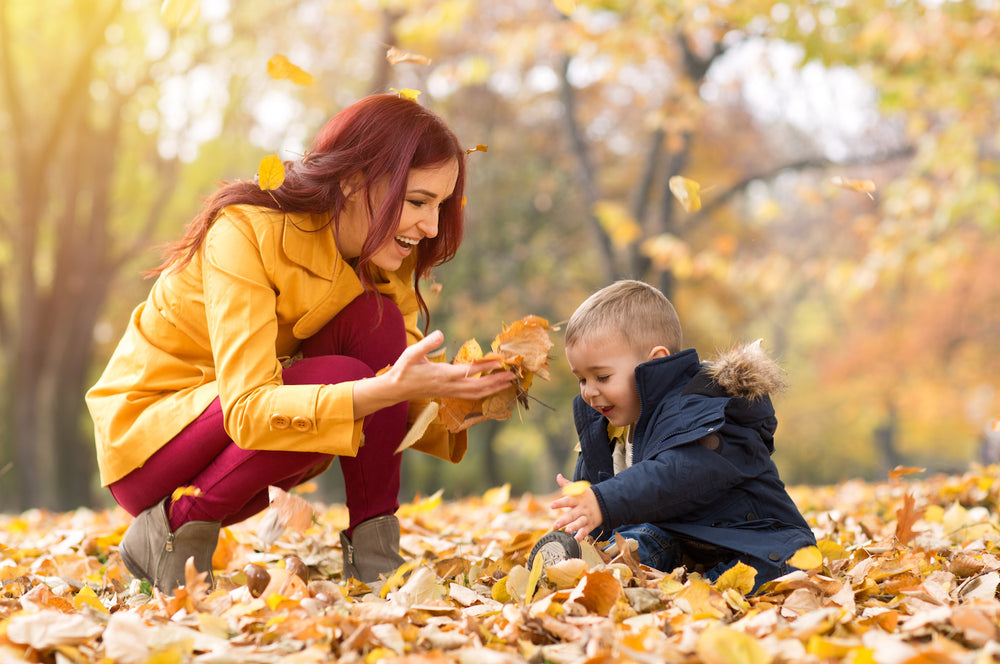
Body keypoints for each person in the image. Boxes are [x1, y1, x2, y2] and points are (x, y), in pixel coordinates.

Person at [86, 94, 516, 592]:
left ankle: (375, 555)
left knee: (373, 328)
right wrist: (378, 390)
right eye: (418, 202)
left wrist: (465, 394)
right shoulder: (244, 231)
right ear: (353, 182)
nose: (432, 227)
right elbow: (248, 406)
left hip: (245, 450)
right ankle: (171, 530)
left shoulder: (378, 264)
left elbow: (404, 386)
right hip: (153, 445)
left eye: (440, 206)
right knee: (344, 387)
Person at [528, 280, 815, 592]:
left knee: (781, 567)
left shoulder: (701, 408)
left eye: (602, 376)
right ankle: (595, 571)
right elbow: (597, 508)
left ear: (653, 363)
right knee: (635, 542)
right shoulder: (606, 427)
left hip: (750, 536)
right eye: (581, 379)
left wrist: (603, 501)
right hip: (677, 538)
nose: (589, 392)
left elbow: (676, 474)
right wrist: (580, 526)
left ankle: (703, 590)